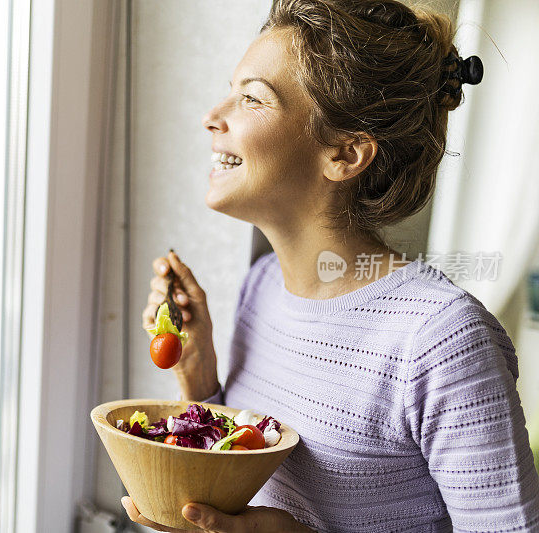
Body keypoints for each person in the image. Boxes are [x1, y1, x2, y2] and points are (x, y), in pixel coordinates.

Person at [121, 0, 539, 531]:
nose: (213, 116)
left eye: (251, 99)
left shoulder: (444, 341)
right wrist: (200, 381)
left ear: (344, 154)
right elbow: (258, 483)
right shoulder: (263, 286)